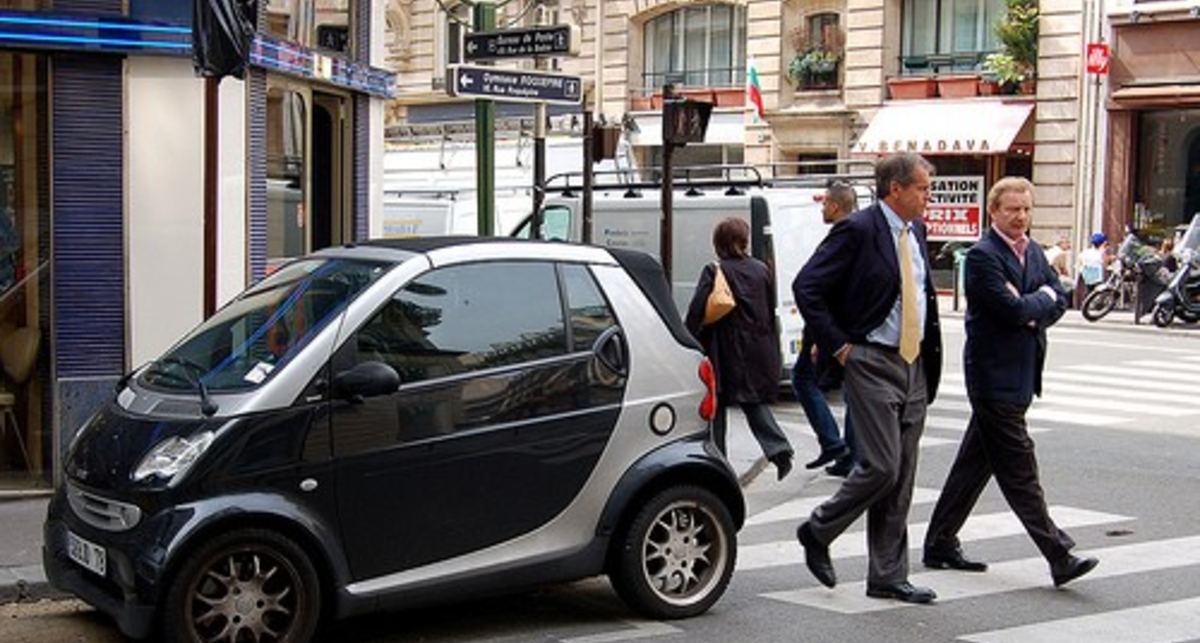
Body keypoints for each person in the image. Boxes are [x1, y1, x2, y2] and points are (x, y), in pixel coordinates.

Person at [922, 177, 1099, 588]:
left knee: (974, 464)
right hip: (992, 379)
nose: (1020, 216)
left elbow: (1058, 296)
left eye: (1026, 209)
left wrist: (1037, 302)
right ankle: (1059, 554)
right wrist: (1038, 302)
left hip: (1020, 375)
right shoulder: (984, 257)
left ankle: (940, 542)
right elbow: (1012, 310)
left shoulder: (1034, 251)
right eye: (1011, 209)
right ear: (993, 212)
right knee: (1020, 470)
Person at [791, 153, 943, 604]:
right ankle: (819, 529)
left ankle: (888, 575)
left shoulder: (916, 231)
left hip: (913, 362)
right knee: (882, 465)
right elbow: (807, 286)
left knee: (903, 475)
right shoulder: (857, 229)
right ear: (895, 189)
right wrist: (840, 346)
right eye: (922, 189)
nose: (927, 198)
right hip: (871, 359)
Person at [685, 216, 795, 480]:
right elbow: (769, 309)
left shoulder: (715, 270)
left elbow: (697, 311)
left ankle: (718, 463)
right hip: (759, 345)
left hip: (725, 347)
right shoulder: (762, 269)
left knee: (717, 403)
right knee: (753, 401)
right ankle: (778, 448)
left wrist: (689, 338)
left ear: (719, 242)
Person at [792, 181, 857, 477]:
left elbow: (813, 286)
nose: (823, 208)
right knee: (854, 391)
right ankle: (847, 454)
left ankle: (835, 445)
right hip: (842, 328)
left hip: (830, 329)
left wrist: (825, 339)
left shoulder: (843, 235)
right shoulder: (859, 233)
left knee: (804, 380)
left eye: (825, 203)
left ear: (835, 205)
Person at [1077, 232, 1107, 299]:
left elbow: (1080, 263)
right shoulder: (1101, 253)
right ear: (1103, 243)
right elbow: (1105, 265)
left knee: (1088, 292)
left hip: (1085, 276)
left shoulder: (1085, 252)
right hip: (1097, 278)